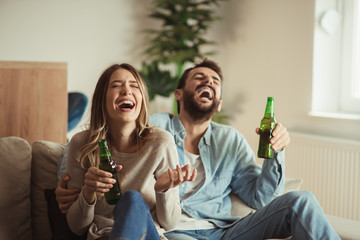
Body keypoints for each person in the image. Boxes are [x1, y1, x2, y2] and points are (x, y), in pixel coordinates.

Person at [57, 59, 340, 239]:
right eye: (199, 78)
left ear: (218, 103)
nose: (208, 82)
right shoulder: (151, 127)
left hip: (226, 230)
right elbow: (86, 144)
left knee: (300, 201)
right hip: (176, 230)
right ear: (178, 94)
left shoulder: (231, 141)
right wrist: (66, 186)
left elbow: (261, 198)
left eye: (215, 82)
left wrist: (276, 151)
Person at [64, 63, 196, 240]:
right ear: (102, 98)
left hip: (147, 235)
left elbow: (170, 223)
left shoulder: (161, 143)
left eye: (134, 86)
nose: (126, 91)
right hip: (103, 236)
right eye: (116, 85)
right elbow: (76, 227)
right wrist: (87, 192)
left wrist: (162, 190)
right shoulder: (82, 144)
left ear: (141, 99)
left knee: (132, 200)